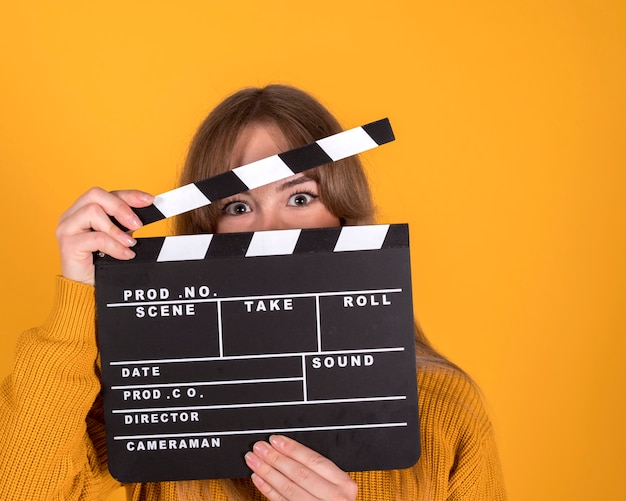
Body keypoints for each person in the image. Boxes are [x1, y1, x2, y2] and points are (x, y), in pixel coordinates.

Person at [0, 85, 506, 500]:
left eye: (301, 197)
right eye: (238, 207)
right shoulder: (147, 411)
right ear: (206, 233)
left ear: (344, 217)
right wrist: (78, 293)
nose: (270, 232)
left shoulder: (442, 411)